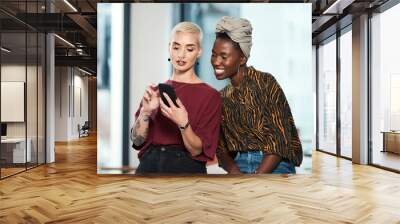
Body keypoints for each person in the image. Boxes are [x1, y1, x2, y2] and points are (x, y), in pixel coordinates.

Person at [212, 16, 303, 174]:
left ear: (242, 59)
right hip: (239, 165)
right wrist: (236, 173)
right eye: (214, 55)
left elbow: (279, 141)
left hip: (274, 165)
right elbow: (221, 148)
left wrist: (256, 179)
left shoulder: (266, 82)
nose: (216, 61)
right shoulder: (221, 97)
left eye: (224, 56)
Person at [131, 22, 221, 174]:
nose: (181, 55)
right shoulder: (154, 92)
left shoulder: (211, 96)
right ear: (169, 49)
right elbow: (137, 141)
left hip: (185, 170)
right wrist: (145, 113)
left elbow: (196, 150)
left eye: (190, 48)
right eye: (176, 47)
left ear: (199, 52)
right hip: (148, 167)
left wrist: (183, 123)